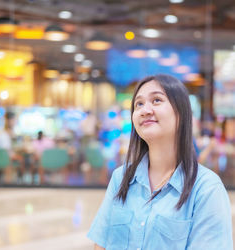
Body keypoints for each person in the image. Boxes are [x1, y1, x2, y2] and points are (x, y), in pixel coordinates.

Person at [87, 74, 233, 250]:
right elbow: (100, 245)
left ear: (181, 113)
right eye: (138, 104)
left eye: (156, 100)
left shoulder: (206, 189)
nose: (145, 110)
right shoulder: (121, 177)